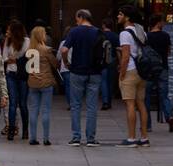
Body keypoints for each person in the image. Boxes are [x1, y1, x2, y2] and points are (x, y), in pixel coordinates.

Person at [62, 9, 102, 146]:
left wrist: (66, 62)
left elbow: (64, 50)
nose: (76, 21)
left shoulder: (74, 31)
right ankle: (91, 138)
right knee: (92, 106)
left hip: (77, 71)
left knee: (76, 105)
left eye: (76, 19)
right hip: (95, 72)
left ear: (80, 17)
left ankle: (76, 137)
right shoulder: (97, 32)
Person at [117, 5, 150, 147]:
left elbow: (125, 56)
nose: (118, 16)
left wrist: (121, 74)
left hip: (130, 70)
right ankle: (144, 137)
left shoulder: (124, 34)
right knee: (141, 104)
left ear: (127, 17)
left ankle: (131, 138)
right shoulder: (141, 30)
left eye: (120, 14)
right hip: (142, 71)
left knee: (130, 104)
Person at [145, 13, 173, 133]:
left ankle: (147, 125)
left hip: (149, 70)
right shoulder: (166, 36)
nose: (163, 24)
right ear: (158, 23)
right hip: (163, 68)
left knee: (146, 97)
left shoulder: (147, 36)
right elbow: (169, 52)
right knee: (164, 96)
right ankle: (170, 117)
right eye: (162, 22)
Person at [27, 25, 58, 145]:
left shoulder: (29, 50)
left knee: (33, 110)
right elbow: (55, 64)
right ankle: (46, 138)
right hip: (46, 82)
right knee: (46, 110)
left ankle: (33, 138)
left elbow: (29, 68)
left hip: (33, 83)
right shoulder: (46, 49)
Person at [2, 20, 29, 141]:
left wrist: (15, 60)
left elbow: (29, 57)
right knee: (12, 103)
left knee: (23, 104)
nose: (7, 32)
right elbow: (4, 58)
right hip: (11, 74)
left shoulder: (27, 41)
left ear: (15, 31)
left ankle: (25, 130)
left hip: (23, 75)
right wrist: (13, 59)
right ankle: (11, 130)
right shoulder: (7, 42)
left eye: (9, 30)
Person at [100, 17, 119, 110]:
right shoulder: (115, 36)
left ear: (104, 25)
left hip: (102, 61)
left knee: (103, 81)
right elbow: (119, 50)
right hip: (113, 60)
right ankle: (110, 101)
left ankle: (105, 102)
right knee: (110, 82)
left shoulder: (100, 35)